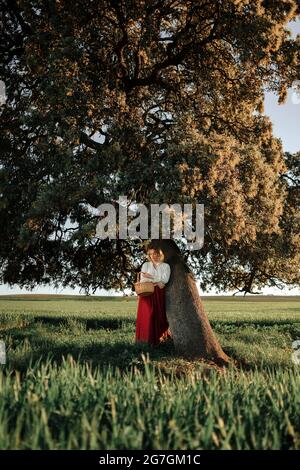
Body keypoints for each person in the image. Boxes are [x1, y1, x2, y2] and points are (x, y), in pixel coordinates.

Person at [135, 244, 171, 347]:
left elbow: (165, 280)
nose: (153, 256)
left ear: (160, 253)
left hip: (159, 294)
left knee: (159, 316)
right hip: (146, 293)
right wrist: (157, 279)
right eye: (150, 254)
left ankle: (158, 341)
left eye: (155, 253)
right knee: (147, 316)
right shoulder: (146, 265)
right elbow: (143, 279)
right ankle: (145, 341)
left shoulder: (166, 266)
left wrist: (151, 277)